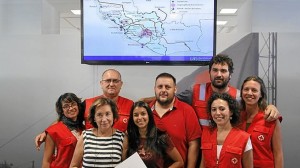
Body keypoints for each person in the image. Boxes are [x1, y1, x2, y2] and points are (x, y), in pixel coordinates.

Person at [142, 54, 281, 128]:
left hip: (227, 150)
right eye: (215, 70)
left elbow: (256, 110)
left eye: (223, 71)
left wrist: (270, 106)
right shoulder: (195, 91)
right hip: (202, 149)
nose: (219, 74)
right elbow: (171, 98)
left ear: (230, 74)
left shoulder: (239, 96)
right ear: (209, 72)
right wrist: (145, 101)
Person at [35, 69, 133, 150]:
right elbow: (66, 119)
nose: (111, 84)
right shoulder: (88, 104)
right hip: (90, 154)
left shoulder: (130, 105)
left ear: (121, 84)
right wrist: (46, 132)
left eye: (115, 81)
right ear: (101, 83)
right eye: (108, 80)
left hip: (119, 153)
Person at [149, 72, 202, 168]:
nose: (163, 90)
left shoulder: (187, 111)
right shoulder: (145, 112)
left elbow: (194, 143)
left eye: (167, 87)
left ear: (175, 89)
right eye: (160, 87)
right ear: (155, 89)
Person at [123, 101, 184, 168]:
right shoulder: (129, 137)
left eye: (143, 114)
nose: (139, 118)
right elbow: (124, 162)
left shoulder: (161, 137)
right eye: (136, 115)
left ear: (149, 115)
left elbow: (179, 162)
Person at [239, 76, 283, 167]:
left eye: (254, 90)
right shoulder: (236, 119)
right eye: (246, 89)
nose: (249, 93)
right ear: (241, 92)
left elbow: (278, 154)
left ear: (261, 94)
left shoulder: (271, 118)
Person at [200, 93, 253, 168]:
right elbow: (203, 164)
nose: (217, 113)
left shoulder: (243, 137)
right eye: (214, 109)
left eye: (222, 109)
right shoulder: (206, 134)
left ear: (231, 111)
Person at [70, 97, 126, 168]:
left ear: (113, 115)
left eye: (107, 114)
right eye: (99, 115)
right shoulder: (85, 136)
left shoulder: (122, 137)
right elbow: (73, 166)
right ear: (94, 118)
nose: (104, 119)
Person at [42, 93, 84, 168]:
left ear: (78, 106)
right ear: (61, 110)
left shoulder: (85, 129)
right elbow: (46, 161)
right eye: (66, 106)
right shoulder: (53, 131)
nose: (71, 108)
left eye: (73, 104)